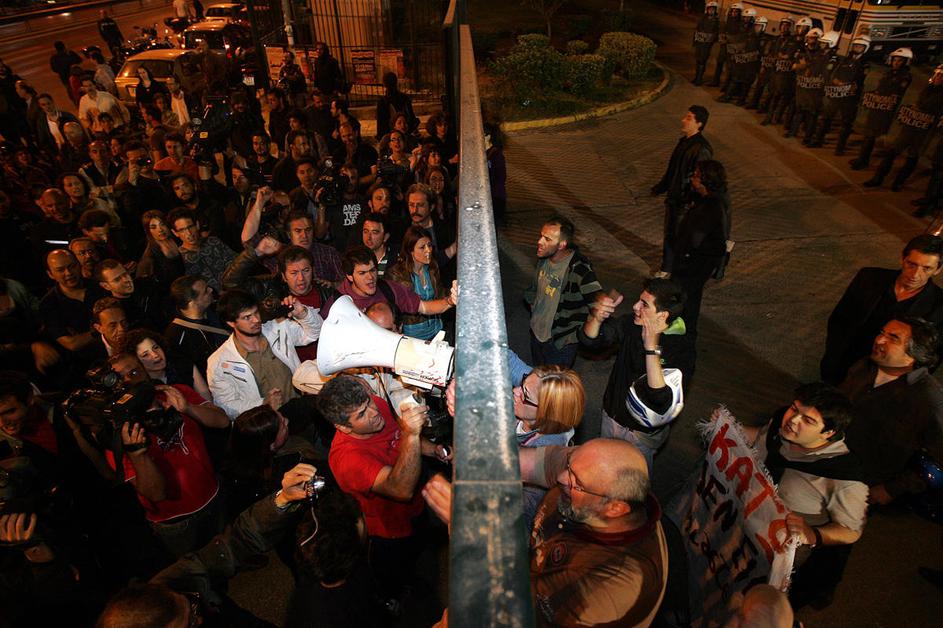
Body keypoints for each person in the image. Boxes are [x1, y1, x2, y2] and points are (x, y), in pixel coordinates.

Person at [424, 437, 668, 626]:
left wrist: (469, 532)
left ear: (615, 508)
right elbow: (539, 463)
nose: (562, 477)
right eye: (570, 466)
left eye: (576, 483)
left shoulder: (614, 582)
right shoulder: (590, 470)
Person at [317, 374, 449, 603]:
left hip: (416, 508)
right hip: (390, 529)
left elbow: (400, 438)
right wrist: (412, 433)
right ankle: (391, 600)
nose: (374, 412)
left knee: (421, 551)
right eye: (361, 414)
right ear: (343, 427)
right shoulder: (348, 459)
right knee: (394, 573)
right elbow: (401, 489)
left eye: (368, 402)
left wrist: (434, 450)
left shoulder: (375, 406)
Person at [737, 382, 866, 609]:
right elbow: (761, 438)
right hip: (743, 522)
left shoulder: (845, 477)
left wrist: (813, 534)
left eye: (808, 420)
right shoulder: (781, 422)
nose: (793, 420)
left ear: (829, 433)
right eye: (794, 409)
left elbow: (851, 531)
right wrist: (730, 430)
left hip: (772, 553)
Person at [106, 352, 226, 557]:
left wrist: (188, 408)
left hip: (212, 496)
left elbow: (222, 422)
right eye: (119, 379)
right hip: (176, 522)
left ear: (145, 371)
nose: (128, 381)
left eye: (133, 372)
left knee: (227, 549)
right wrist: (138, 454)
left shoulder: (176, 392)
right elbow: (156, 494)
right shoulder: (119, 433)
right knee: (200, 571)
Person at [578, 278, 695, 469]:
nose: (635, 306)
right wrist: (596, 318)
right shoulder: (631, 325)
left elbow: (659, 399)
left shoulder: (681, 349)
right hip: (611, 419)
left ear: (662, 315)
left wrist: (651, 348)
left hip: (639, 437)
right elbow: (591, 341)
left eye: (644, 304)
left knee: (628, 482)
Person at [841, 317, 943, 506]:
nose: (879, 340)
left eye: (893, 338)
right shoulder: (864, 367)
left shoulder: (928, 399)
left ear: (913, 354)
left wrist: (892, 489)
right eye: (882, 333)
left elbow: (939, 457)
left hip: (860, 485)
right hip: (826, 460)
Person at [820, 234, 943, 385]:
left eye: (926, 268)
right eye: (911, 264)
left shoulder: (939, 305)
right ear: (902, 258)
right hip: (842, 361)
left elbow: (933, 356)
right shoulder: (869, 277)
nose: (915, 274)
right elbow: (839, 318)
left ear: (938, 269)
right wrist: (833, 353)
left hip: (883, 376)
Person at [207, 288, 322, 420]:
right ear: (231, 323)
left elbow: (314, 333)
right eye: (247, 317)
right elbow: (226, 406)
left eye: (256, 312)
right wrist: (263, 404)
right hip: (269, 424)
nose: (256, 320)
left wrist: (303, 313)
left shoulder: (277, 328)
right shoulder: (219, 362)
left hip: (303, 410)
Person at [523, 215, 602, 367]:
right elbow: (535, 289)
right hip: (537, 334)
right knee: (538, 375)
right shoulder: (544, 258)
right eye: (541, 236)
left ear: (562, 245)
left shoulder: (579, 269)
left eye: (547, 239)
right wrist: (532, 302)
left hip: (559, 343)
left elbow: (596, 300)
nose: (540, 242)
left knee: (554, 381)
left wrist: (572, 336)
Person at [669, 159, 731, 335]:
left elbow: (696, 238)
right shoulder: (707, 200)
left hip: (694, 265)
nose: (692, 178)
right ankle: (684, 332)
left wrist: (684, 254)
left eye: (696, 175)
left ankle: (683, 334)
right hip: (696, 263)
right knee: (689, 299)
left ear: (706, 180)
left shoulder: (710, 207)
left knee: (684, 300)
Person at [651, 105, 713, 275]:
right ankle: (668, 268)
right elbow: (673, 170)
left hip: (685, 202)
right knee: (670, 234)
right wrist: (661, 187)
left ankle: (675, 271)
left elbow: (701, 180)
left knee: (680, 237)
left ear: (699, 124)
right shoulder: (684, 143)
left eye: (689, 118)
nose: (683, 120)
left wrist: (692, 200)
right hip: (674, 198)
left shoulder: (701, 149)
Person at [320, 245, 456, 321]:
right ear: (349, 276)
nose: (370, 277)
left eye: (372, 270)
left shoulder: (388, 289)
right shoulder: (337, 302)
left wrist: (450, 301)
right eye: (362, 273)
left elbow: (424, 307)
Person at [864, 65, 943, 191]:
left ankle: (898, 182)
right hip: (911, 126)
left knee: (912, 156)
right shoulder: (929, 88)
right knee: (893, 151)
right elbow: (921, 101)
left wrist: (920, 107)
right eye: (937, 75)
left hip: (924, 131)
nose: (938, 77)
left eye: (941, 76)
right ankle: (878, 178)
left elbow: (928, 104)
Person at [850, 48, 914, 170]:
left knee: (871, 136)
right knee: (868, 135)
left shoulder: (904, 76)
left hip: (885, 111)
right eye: (894, 60)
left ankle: (863, 161)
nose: (896, 63)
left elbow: (896, 93)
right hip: (877, 107)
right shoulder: (889, 73)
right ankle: (862, 158)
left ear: (905, 62)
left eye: (899, 61)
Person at [386, 226, 449, 341]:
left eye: (429, 245)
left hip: (437, 331)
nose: (428, 250)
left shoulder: (432, 267)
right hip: (412, 337)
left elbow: (440, 294)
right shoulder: (397, 274)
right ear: (410, 250)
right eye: (422, 247)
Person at [810, 34, 869, 154]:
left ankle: (839, 148)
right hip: (837, 93)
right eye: (856, 45)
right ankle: (818, 140)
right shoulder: (846, 59)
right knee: (827, 117)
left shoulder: (865, 64)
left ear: (865, 48)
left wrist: (848, 84)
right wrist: (835, 80)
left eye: (860, 46)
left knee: (846, 123)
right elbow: (835, 72)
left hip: (850, 97)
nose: (857, 48)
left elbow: (861, 80)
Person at [164, 275, 228, 379]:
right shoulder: (177, 336)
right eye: (205, 291)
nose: (211, 290)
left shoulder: (216, 311)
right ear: (191, 302)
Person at [125, 328, 213, 403]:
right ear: (136, 362)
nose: (155, 355)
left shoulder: (183, 365)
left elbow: (208, 402)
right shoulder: (140, 388)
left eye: (155, 347)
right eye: (145, 355)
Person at [168, 208, 236, 292]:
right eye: (182, 230)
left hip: (234, 290)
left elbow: (235, 262)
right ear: (175, 233)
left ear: (197, 225)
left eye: (190, 227)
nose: (189, 233)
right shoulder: (180, 258)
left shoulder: (213, 242)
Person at [136, 210, 184, 287]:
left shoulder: (179, 239)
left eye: (162, 224)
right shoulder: (149, 257)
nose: (160, 230)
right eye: (153, 227)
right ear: (148, 231)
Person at [375, 72, 417, 141]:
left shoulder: (382, 102)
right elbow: (411, 117)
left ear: (384, 84)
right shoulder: (404, 98)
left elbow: (381, 125)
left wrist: (382, 139)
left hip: (391, 137)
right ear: (396, 82)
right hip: (405, 133)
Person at [692, 2, 720, 86]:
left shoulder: (716, 21)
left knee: (702, 60)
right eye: (710, 9)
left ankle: (699, 79)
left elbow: (716, 34)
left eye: (713, 9)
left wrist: (710, 40)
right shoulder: (703, 18)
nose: (711, 11)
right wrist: (695, 41)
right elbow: (697, 29)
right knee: (698, 60)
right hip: (699, 42)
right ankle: (696, 77)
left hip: (706, 45)